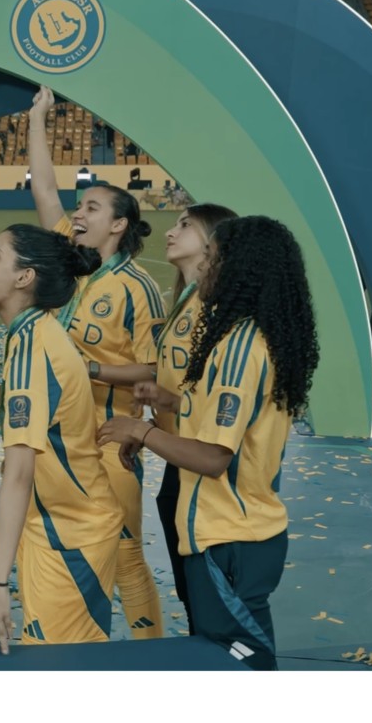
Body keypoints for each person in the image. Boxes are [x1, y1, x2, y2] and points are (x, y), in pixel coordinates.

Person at [98, 216, 319, 673]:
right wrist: (170, 402)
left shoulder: (241, 347)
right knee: (222, 655)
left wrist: (142, 431)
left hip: (229, 537)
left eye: (213, 260)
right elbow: (227, 422)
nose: (205, 270)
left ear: (240, 271)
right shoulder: (246, 337)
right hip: (233, 533)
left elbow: (215, 458)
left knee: (240, 661)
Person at [18, 86, 167, 638]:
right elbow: (44, 189)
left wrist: (94, 372)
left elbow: (154, 371)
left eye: (92, 208)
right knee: (71, 552)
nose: (77, 214)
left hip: (109, 442)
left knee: (124, 557)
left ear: (119, 224)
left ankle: (148, 649)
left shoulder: (138, 288)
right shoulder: (74, 265)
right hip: (61, 441)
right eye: (79, 208)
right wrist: (37, 119)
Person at [0, 225, 123, 656]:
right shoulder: (35, 332)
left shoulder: (32, 346)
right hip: (55, 529)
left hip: (71, 538)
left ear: (24, 277)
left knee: (62, 660)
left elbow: (19, 473)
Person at [128, 203, 238, 634]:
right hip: (181, 461)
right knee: (193, 594)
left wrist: (160, 415)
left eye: (185, 225)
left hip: (210, 467)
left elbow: (221, 397)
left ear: (214, 241)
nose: (171, 232)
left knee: (214, 603)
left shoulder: (218, 308)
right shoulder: (185, 299)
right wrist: (162, 404)